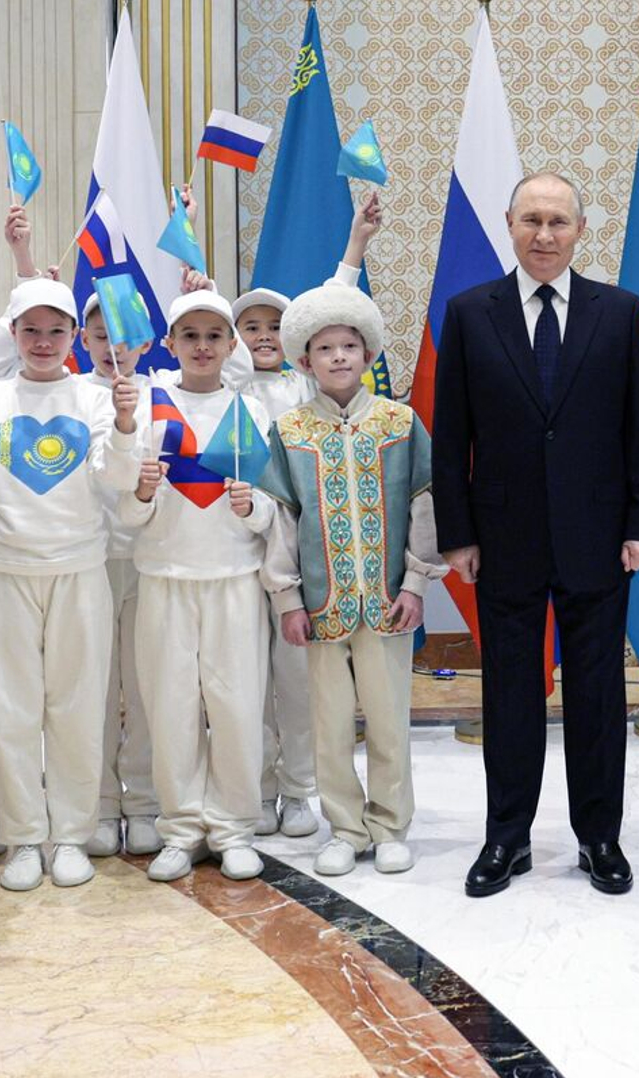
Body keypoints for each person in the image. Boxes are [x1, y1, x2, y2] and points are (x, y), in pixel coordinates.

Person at [434, 171, 639, 898]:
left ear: (580, 230)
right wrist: (456, 534)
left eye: (558, 221)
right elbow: (452, 438)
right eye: (531, 220)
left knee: (597, 694)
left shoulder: (619, 311)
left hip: (598, 535)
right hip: (503, 537)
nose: (544, 234)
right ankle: (507, 837)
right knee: (510, 693)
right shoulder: (470, 313)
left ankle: (599, 837)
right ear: (509, 224)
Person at [0, 278, 140, 890]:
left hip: (79, 571)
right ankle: (24, 837)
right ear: (14, 333)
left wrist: (125, 423)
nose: (43, 342)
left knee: (77, 707)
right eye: (31, 330)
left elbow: (117, 478)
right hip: (4, 573)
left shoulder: (94, 398)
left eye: (55, 331)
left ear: (74, 336)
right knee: (11, 708)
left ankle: (70, 834)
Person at [262, 283, 445, 876]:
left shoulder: (399, 423)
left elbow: (424, 502)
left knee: (389, 719)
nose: (338, 357)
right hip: (322, 605)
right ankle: (344, 826)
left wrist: (416, 583)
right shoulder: (291, 431)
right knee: (329, 722)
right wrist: (287, 597)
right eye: (324, 348)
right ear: (304, 361)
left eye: (348, 346)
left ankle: (389, 824)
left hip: (388, 602)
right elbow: (282, 518)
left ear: (368, 354)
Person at [123, 289, 291, 883]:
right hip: (165, 578)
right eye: (190, 336)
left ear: (231, 345)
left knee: (238, 706)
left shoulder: (250, 412)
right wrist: (142, 492)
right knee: (170, 708)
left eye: (214, 336)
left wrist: (252, 509)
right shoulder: (149, 407)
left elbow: (273, 508)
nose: (202, 347)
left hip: (234, 580)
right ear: (170, 344)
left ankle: (234, 827)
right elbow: (126, 511)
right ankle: (181, 828)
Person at [232, 192, 377, 840]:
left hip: (297, 560)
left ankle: (298, 790)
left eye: (274, 326)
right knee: (246, 684)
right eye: (250, 328)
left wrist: (355, 245)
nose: (263, 336)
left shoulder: (305, 388)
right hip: (237, 556)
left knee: (297, 683)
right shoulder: (228, 389)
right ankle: (258, 789)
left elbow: (332, 309)